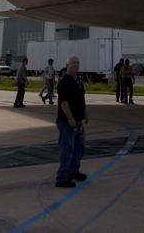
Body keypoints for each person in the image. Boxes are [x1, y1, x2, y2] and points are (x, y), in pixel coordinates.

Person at [55, 54, 88, 188]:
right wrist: (70, 118)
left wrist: (85, 114)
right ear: (67, 65)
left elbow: (82, 99)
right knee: (67, 149)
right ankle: (62, 178)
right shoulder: (64, 82)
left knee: (79, 148)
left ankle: (74, 172)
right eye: (73, 63)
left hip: (78, 120)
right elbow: (63, 102)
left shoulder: (78, 81)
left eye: (77, 63)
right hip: (67, 122)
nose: (76, 65)